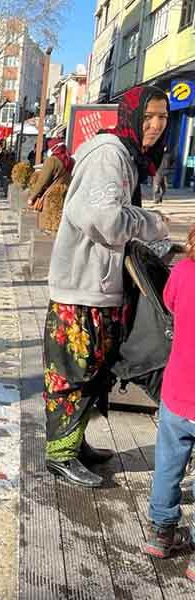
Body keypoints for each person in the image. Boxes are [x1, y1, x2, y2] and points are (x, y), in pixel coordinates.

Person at [43, 85, 171, 487]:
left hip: (100, 286)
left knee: (94, 371)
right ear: (130, 115)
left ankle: (75, 442)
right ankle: (59, 455)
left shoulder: (129, 156)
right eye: (148, 116)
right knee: (71, 372)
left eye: (163, 118)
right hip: (80, 287)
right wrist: (151, 222)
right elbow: (103, 219)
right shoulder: (110, 155)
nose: (154, 126)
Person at [143, 225, 195, 577]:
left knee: (168, 463)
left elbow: (169, 303)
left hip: (178, 392)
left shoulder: (184, 272)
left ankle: (162, 533)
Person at [26, 138, 75, 232]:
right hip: (65, 197)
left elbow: (42, 181)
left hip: (50, 198)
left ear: (53, 148)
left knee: (47, 227)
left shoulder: (52, 160)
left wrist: (32, 197)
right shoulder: (70, 161)